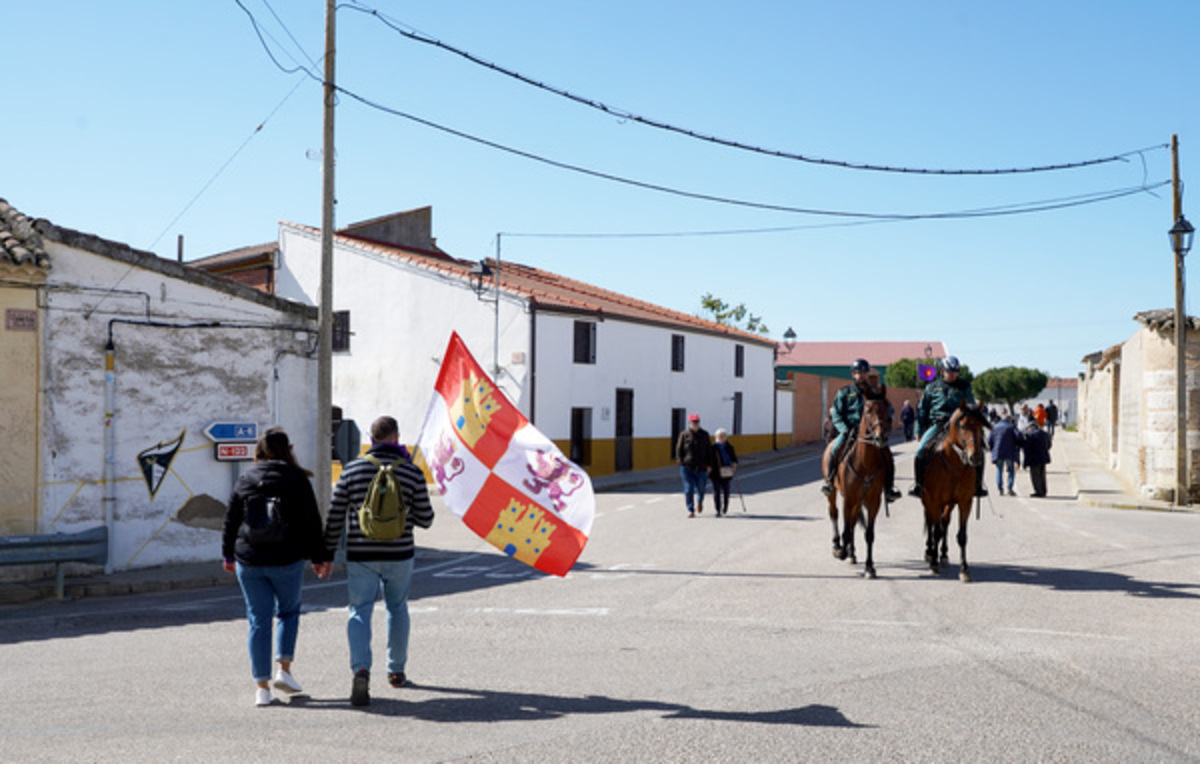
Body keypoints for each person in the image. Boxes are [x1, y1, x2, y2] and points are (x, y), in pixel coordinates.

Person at [324, 415, 435, 707]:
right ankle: (396, 671)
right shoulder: (411, 472)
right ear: (396, 438)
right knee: (397, 608)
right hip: (400, 554)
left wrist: (324, 554)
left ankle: (360, 669)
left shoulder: (352, 470)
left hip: (361, 555)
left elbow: (334, 516)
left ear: (370, 439)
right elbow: (426, 519)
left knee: (359, 609)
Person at [222, 427, 332, 707]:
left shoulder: (246, 478)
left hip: (249, 559)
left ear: (258, 452)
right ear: (288, 450)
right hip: (286, 559)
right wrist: (319, 557)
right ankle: (284, 670)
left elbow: (231, 520)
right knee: (288, 612)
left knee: (258, 621)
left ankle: (262, 688)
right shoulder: (296, 479)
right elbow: (312, 522)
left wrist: (228, 556)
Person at [821, 359, 903, 502]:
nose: (863, 376)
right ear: (853, 374)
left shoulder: (875, 392)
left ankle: (889, 488)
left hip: (870, 433)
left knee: (887, 455)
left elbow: (886, 410)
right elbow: (837, 414)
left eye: (865, 373)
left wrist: (883, 425)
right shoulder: (845, 392)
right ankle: (829, 482)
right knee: (834, 450)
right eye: (860, 373)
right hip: (849, 430)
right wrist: (844, 429)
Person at [909, 355, 987, 498]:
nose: (952, 374)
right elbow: (922, 409)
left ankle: (977, 486)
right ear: (942, 371)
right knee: (920, 451)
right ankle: (918, 486)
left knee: (979, 451)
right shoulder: (931, 387)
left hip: (959, 426)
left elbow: (970, 406)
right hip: (938, 424)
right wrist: (918, 430)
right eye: (949, 371)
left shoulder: (964, 386)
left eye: (955, 372)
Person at [676, 413, 712, 517]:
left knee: (701, 488)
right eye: (693, 422)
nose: (695, 423)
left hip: (702, 466)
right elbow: (679, 449)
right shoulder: (684, 435)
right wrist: (681, 462)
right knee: (689, 489)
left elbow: (709, 450)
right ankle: (690, 509)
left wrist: (709, 465)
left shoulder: (705, 434)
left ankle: (700, 502)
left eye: (697, 421)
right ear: (689, 422)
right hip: (687, 467)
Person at [987, 413, 1020, 496]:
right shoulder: (1012, 426)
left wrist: (992, 449)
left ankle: (1000, 489)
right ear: (1009, 419)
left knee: (999, 470)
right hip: (1009, 451)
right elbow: (1018, 436)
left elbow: (989, 440)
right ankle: (1009, 488)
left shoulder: (995, 427)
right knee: (1011, 470)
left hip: (998, 452)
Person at [1018, 417, 1052, 497]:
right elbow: (1049, 445)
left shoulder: (1030, 435)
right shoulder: (1045, 434)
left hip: (1034, 458)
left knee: (1035, 476)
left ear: (1030, 427)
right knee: (1042, 475)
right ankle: (1043, 491)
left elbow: (1026, 447)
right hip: (1043, 457)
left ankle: (1038, 492)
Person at [709, 428, 739, 516]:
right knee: (716, 491)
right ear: (716, 437)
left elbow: (734, 459)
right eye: (719, 436)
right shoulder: (712, 448)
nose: (721, 438)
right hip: (715, 472)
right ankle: (718, 510)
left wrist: (734, 464)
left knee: (726, 491)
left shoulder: (729, 447)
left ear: (726, 437)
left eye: (723, 436)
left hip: (726, 471)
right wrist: (708, 466)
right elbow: (708, 459)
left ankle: (725, 507)